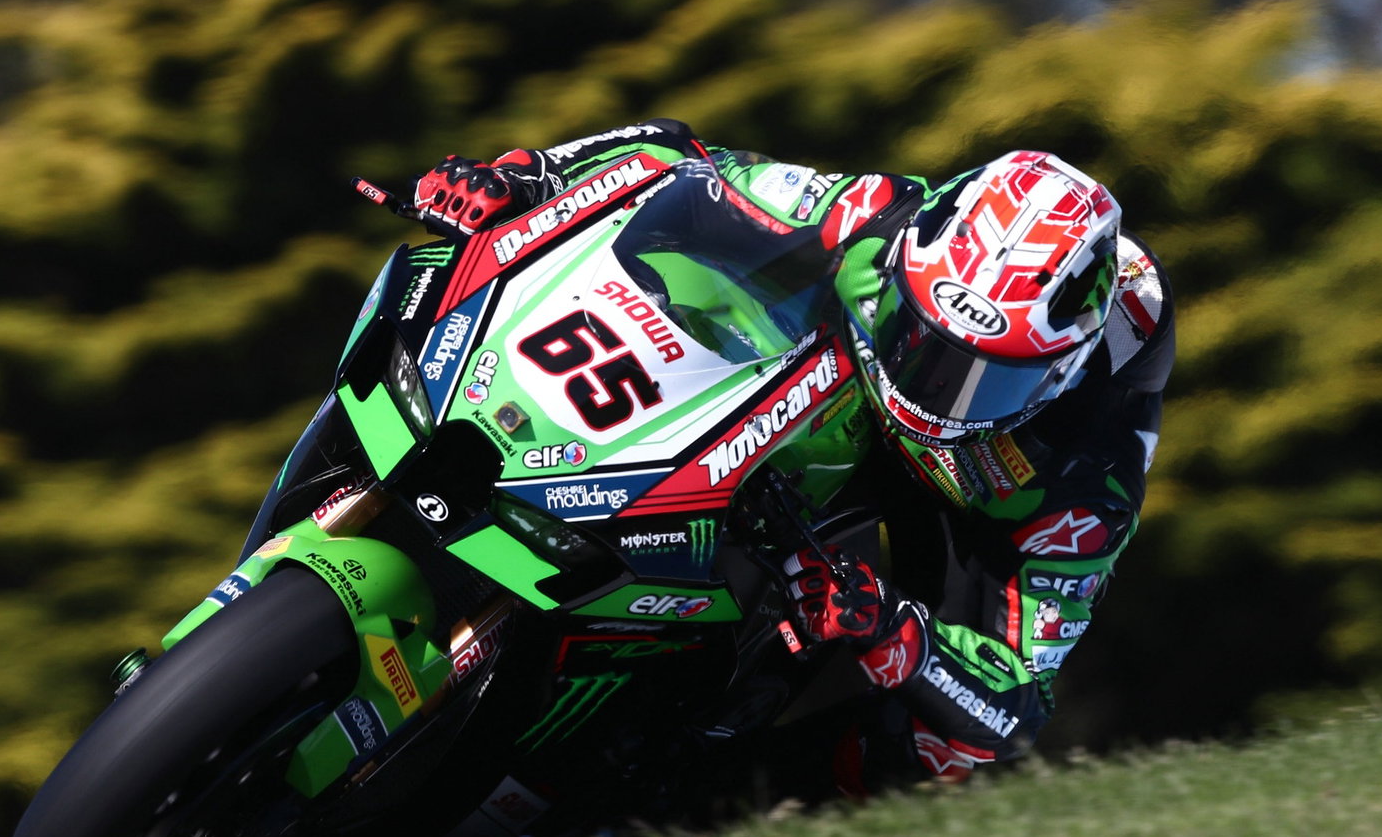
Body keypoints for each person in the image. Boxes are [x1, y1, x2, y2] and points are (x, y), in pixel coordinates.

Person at [410, 119, 1174, 791]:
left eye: (988, 381)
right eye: (924, 342)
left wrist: (895, 632)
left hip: (966, 503)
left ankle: (734, 809)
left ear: (1061, 372)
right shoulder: (875, 216)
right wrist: (524, 176)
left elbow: (1016, 704)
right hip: (829, 390)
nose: (939, 391)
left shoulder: (1084, 473)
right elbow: (671, 158)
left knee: (945, 750)